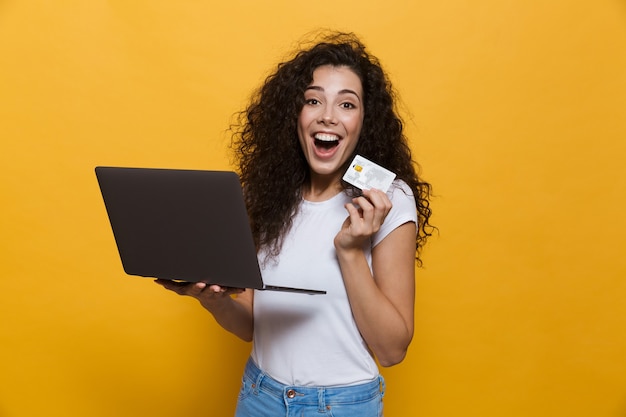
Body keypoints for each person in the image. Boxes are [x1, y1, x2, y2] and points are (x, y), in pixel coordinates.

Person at [156, 31, 433, 417]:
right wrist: (212, 298)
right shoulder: (270, 195)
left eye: (347, 104)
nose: (328, 116)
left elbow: (392, 350)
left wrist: (351, 252)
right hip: (259, 395)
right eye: (313, 100)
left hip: (340, 407)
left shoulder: (386, 201)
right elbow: (252, 324)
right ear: (294, 114)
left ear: (364, 121)